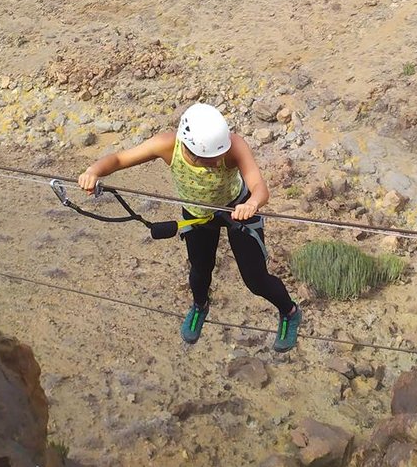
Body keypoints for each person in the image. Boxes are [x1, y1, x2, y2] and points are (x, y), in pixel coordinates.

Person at [78, 102, 302, 351]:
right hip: (197, 215)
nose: (218, 163)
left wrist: (253, 203)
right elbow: (120, 158)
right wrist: (94, 170)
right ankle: (200, 306)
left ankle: (290, 312)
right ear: (188, 148)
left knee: (256, 279)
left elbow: (260, 187)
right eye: (209, 159)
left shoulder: (235, 145)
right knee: (199, 271)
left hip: (237, 209)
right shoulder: (166, 145)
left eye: (219, 156)